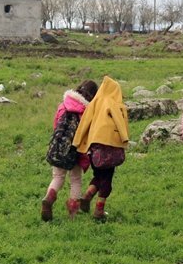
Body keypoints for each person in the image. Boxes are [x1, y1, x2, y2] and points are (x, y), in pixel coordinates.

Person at [73, 76, 129, 220]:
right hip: (109, 145)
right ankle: (99, 210)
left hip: (94, 147)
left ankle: (87, 195)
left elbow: (84, 122)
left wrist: (78, 142)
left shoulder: (94, 103)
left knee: (99, 175)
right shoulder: (113, 102)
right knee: (107, 178)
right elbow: (120, 120)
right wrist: (124, 137)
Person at [41, 80, 98, 221]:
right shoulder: (86, 111)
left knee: (58, 177)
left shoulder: (63, 104)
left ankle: (49, 198)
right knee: (75, 179)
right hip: (76, 150)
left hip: (60, 147)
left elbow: (56, 126)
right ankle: (73, 211)